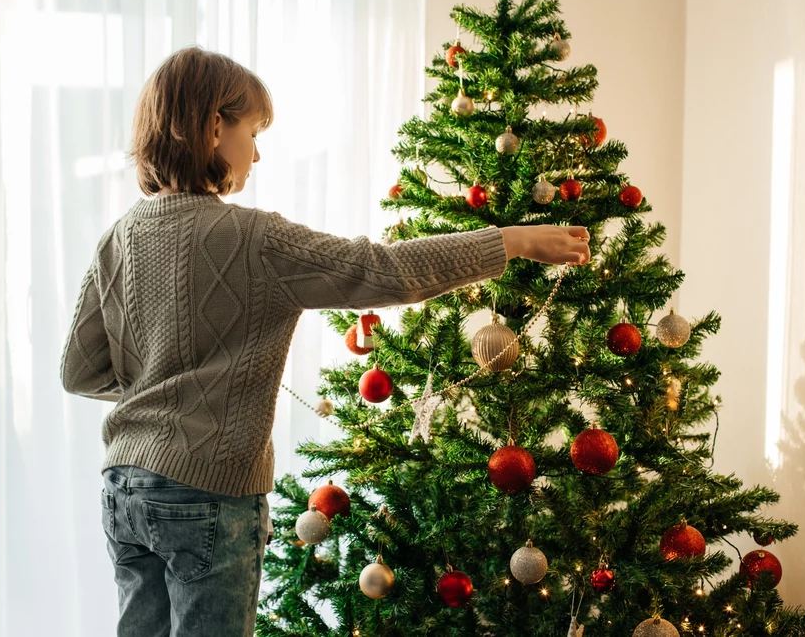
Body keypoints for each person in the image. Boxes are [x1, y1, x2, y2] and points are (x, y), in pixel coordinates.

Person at [60, 46, 590, 637]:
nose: (256, 153)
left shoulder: (119, 237)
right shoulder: (253, 239)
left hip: (123, 488)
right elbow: (384, 271)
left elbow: (79, 372)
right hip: (207, 492)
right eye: (253, 132)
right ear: (215, 127)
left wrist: (161, 390)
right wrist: (509, 242)